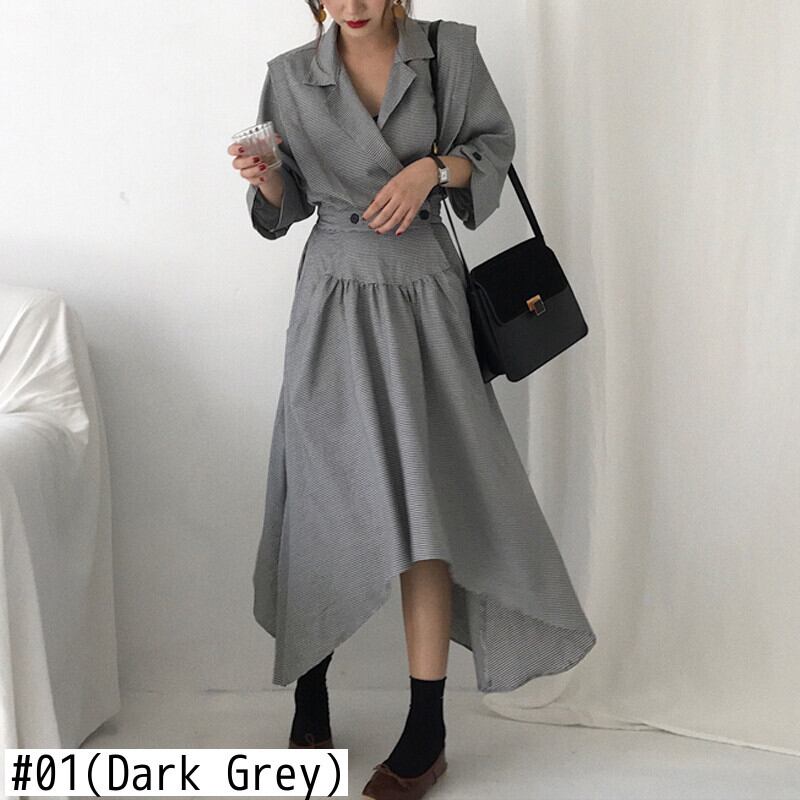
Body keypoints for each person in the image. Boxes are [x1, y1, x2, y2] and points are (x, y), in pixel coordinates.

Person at [227, 2, 597, 797]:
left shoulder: (447, 53)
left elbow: (492, 147)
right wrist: (267, 181)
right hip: (333, 294)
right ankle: (311, 688)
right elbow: (287, 207)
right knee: (323, 498)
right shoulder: (288, 76)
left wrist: (433, 169)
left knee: (428, 508)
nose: (352, 7)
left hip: (425, 291)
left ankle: (427, 727)